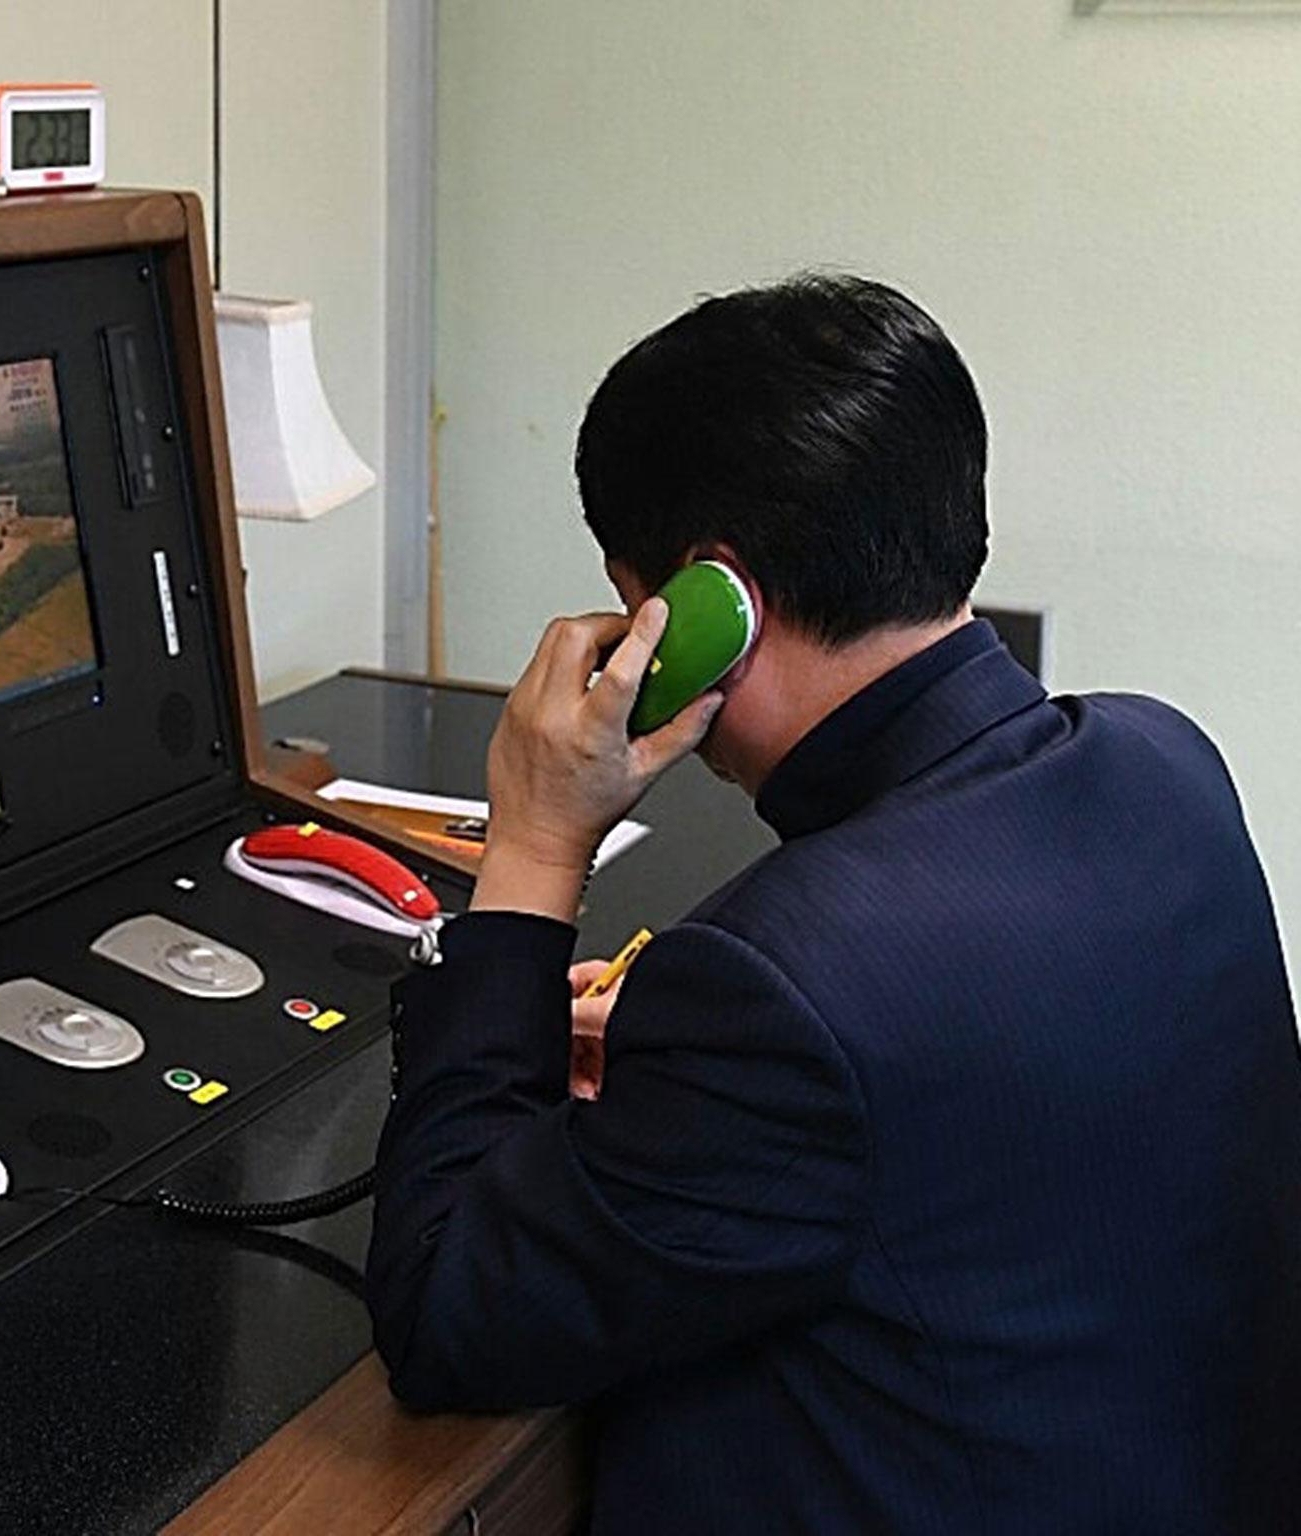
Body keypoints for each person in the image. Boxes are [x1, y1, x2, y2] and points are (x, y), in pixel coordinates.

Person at [364, 275, 1301, 1533]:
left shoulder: (779, 983)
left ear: (708, 610)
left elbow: (443, 1314)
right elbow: (955, 1065)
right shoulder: (1161, 761)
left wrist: (534, 845)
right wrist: (714, 1073)